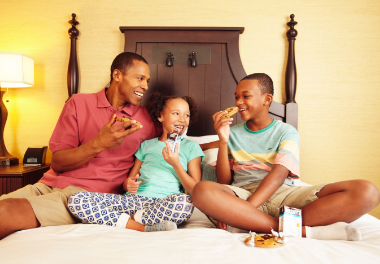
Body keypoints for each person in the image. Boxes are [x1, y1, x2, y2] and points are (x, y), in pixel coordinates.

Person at [191, 73, 380, 240]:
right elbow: (224, 181)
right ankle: (296, 229)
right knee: (201, 190)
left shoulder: (286, 132)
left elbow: (278, 176)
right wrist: (223, 142)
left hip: (283, 194)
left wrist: (248, 210)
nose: (238, 102)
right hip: (242, 193)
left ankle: (257, 223)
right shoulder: (232, 133)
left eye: (245, 96)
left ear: (267, 99)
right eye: (236, 97)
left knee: (367, 192)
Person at [0, 52, 161, 240]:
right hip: (48, 185)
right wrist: (98, 144)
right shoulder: (78, 103)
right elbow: (58, 163)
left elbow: (180, 138)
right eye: (140, 78)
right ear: (117, 75)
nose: (145, 86)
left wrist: (204, 148)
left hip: (87, 197)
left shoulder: (147, 120)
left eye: (147, 80)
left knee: (5, 212)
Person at [68, 92, 204, 232]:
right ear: (160, 116)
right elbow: (129, 182)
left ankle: (125, 219)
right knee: (77, 200)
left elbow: (195, 189)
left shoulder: (191, 147)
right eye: (176, 113)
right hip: (134, 200)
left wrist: (175, 163)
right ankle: (141, 227)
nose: (182, 119)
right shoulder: (147, 145)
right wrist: (129, 184)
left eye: (186, 115)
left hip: (164, 202)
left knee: (185, 204)